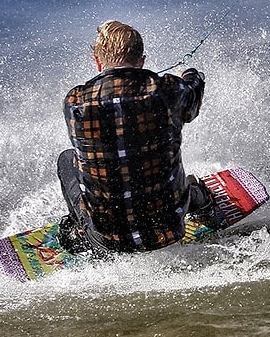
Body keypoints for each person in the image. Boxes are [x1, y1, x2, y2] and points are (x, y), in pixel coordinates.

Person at [56, 20, 214, 254]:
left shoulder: (75, 101)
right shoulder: (167, 90)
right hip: (168, 227)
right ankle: (202, 201)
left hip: (106, 239)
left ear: (98, 62)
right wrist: (190, 74)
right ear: (142, 60)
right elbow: (194, 88)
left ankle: (80, 230)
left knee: (67, 159)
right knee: (150, 160)